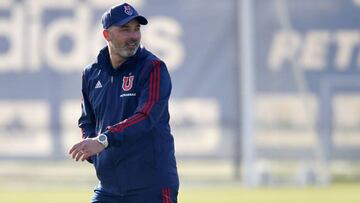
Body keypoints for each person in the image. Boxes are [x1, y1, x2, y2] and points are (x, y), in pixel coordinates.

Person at [69, 3, 179, 203]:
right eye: (125, 30)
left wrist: (102, 141)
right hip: (109, 188)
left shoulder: (153, 68)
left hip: (150, 186)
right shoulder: (92, 73)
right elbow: (87, 120)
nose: (134, 36)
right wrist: (91, 149)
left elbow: (146, 118)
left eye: (137, 29)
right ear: (107, 35)